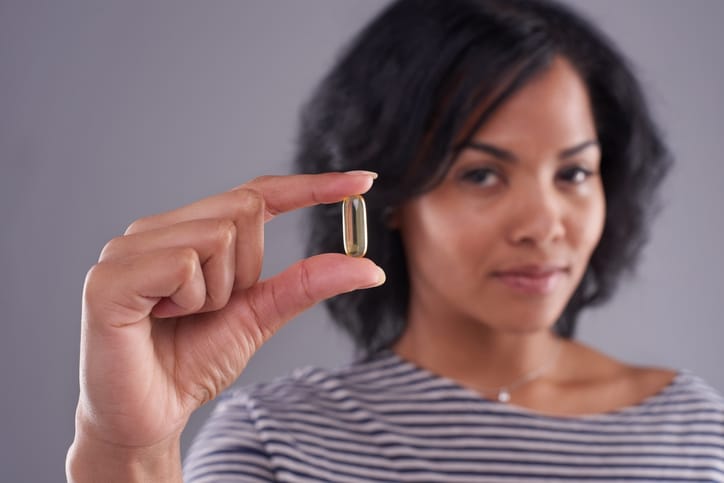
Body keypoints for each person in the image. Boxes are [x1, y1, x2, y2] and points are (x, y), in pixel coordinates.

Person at [66, 0, 724, 482]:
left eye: (574, 172)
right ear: (392, 198)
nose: (545, 223)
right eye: (482, 173)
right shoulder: (275, 441)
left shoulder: (694, 431)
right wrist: (126, 452)